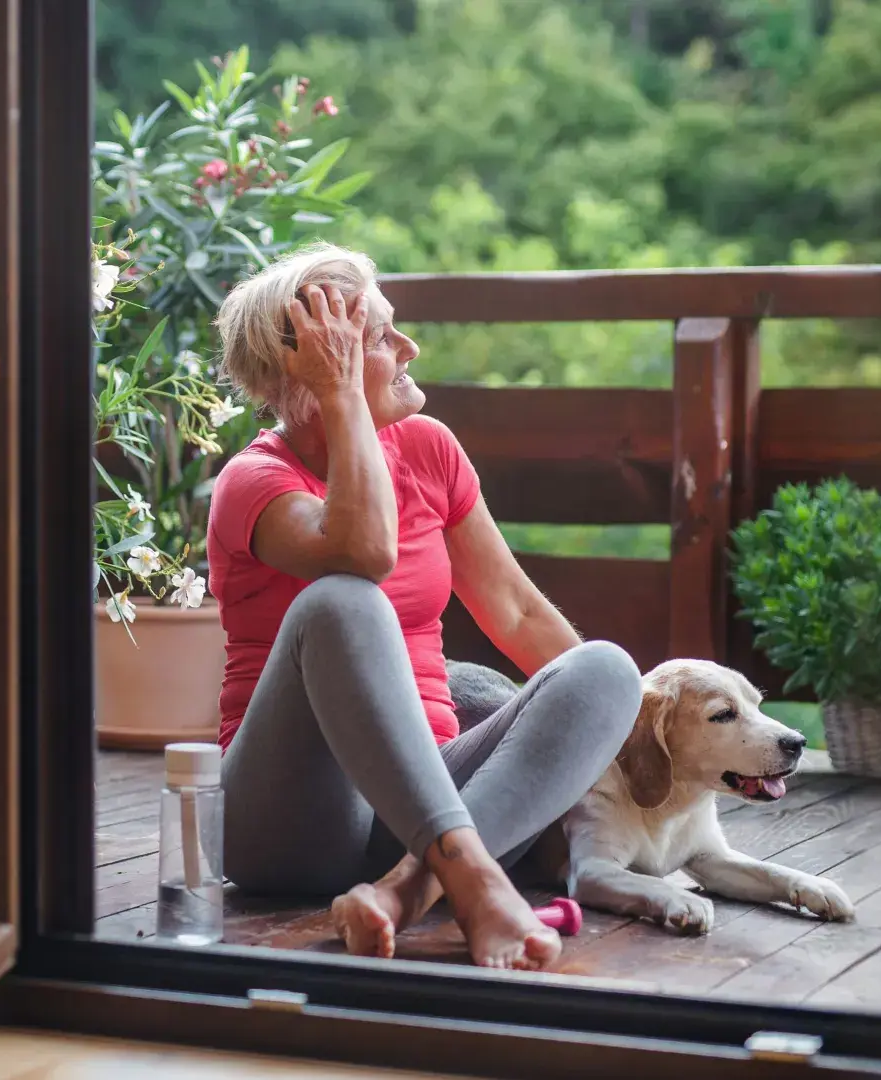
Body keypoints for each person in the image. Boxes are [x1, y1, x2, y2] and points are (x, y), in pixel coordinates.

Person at [207, 243, 643, 970]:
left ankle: (410, 890)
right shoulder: (253, 482)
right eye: (378, 337)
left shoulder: (430, 449)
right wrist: (345, 398)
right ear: (317, 369)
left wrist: (644, 743)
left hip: (414, 808)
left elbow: (518, 613)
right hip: (286, 822)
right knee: (344, 602)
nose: (410, 347)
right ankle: (472, 881)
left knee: (607, 671)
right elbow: (364, 553)